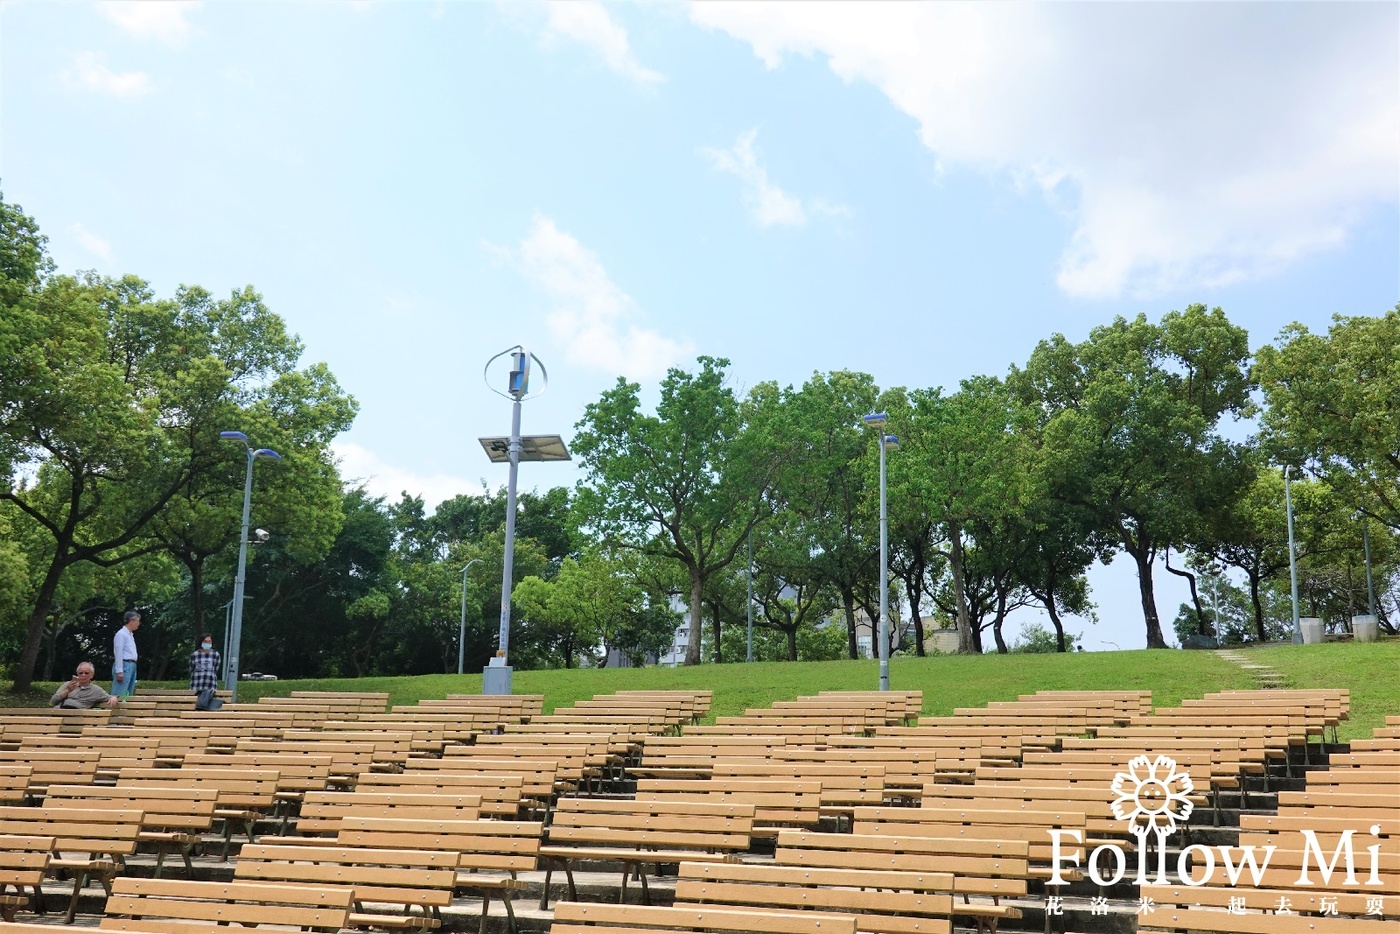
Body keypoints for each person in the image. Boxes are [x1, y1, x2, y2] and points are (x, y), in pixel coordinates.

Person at [51, 662, 120, 709]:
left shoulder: (96, 690)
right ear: (77, 674)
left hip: (78, 717)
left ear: (92, 675)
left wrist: (113, 698)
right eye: (81, 673)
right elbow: (53, 702)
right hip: (60, 712)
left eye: (86, 673)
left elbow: (109, 697)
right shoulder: (68, 684)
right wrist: (67, 690)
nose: (83, 675)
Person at [112, 610, 140, 697]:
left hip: (132, 664)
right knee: (119, 692)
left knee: (128, 692)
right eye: (137, 621)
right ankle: (116, 710)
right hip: (125, 664)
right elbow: (118, 652)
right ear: (131, 620)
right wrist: (119, 670)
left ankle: (126, 709)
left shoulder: (130, 635)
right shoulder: (121, 634)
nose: (138, 623)